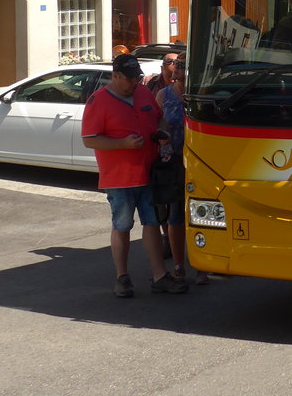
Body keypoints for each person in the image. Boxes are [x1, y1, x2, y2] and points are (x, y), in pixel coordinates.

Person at [80, 53, 188, 297]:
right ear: (116, 76)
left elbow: (158, 119)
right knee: (123, 224)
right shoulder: (98, 101)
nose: (134, 83)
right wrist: (123, 144)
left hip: (149, 172)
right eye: (129, 79)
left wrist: (161, 134)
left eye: (136, 78)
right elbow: (90, 140)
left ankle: (160, 275)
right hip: (120, 179)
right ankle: (122, 277)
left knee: (151, 223)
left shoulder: (142, 93)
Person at [153, 57, 208, 285]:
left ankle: (202, 264)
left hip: (200, 163)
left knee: (199, 214)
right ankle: (178, 265)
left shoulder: (202, 94)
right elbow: (155, 124)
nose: (183, 78)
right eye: (180, 74)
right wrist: (161, 138)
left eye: (187, 75)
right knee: (175, 215)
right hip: (174, 161)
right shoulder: (163, 96)